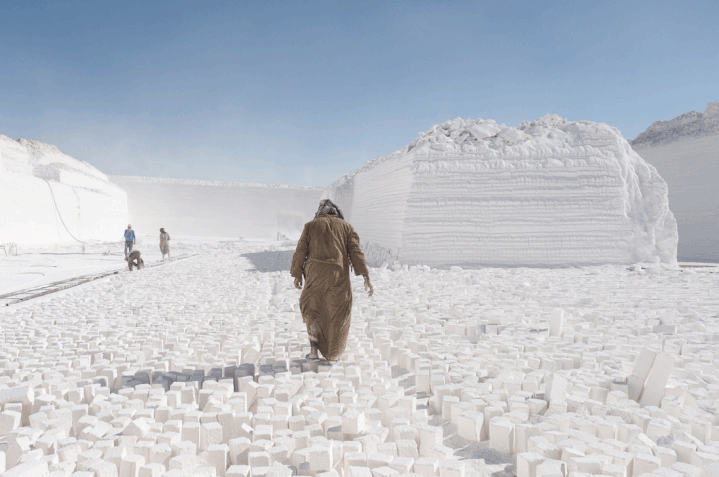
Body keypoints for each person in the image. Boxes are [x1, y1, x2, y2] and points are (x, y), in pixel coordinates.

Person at [291, 199, 373, 365]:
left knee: (312, 310)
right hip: (338, 277)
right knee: (337, 314)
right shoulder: (346, 227)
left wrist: (297, 274)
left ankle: (313, 351)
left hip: (314, 276)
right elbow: (356, 252)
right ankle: (334, 355)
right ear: (337, 213)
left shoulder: (310, 226)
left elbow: (300, 250)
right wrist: (365, 276)